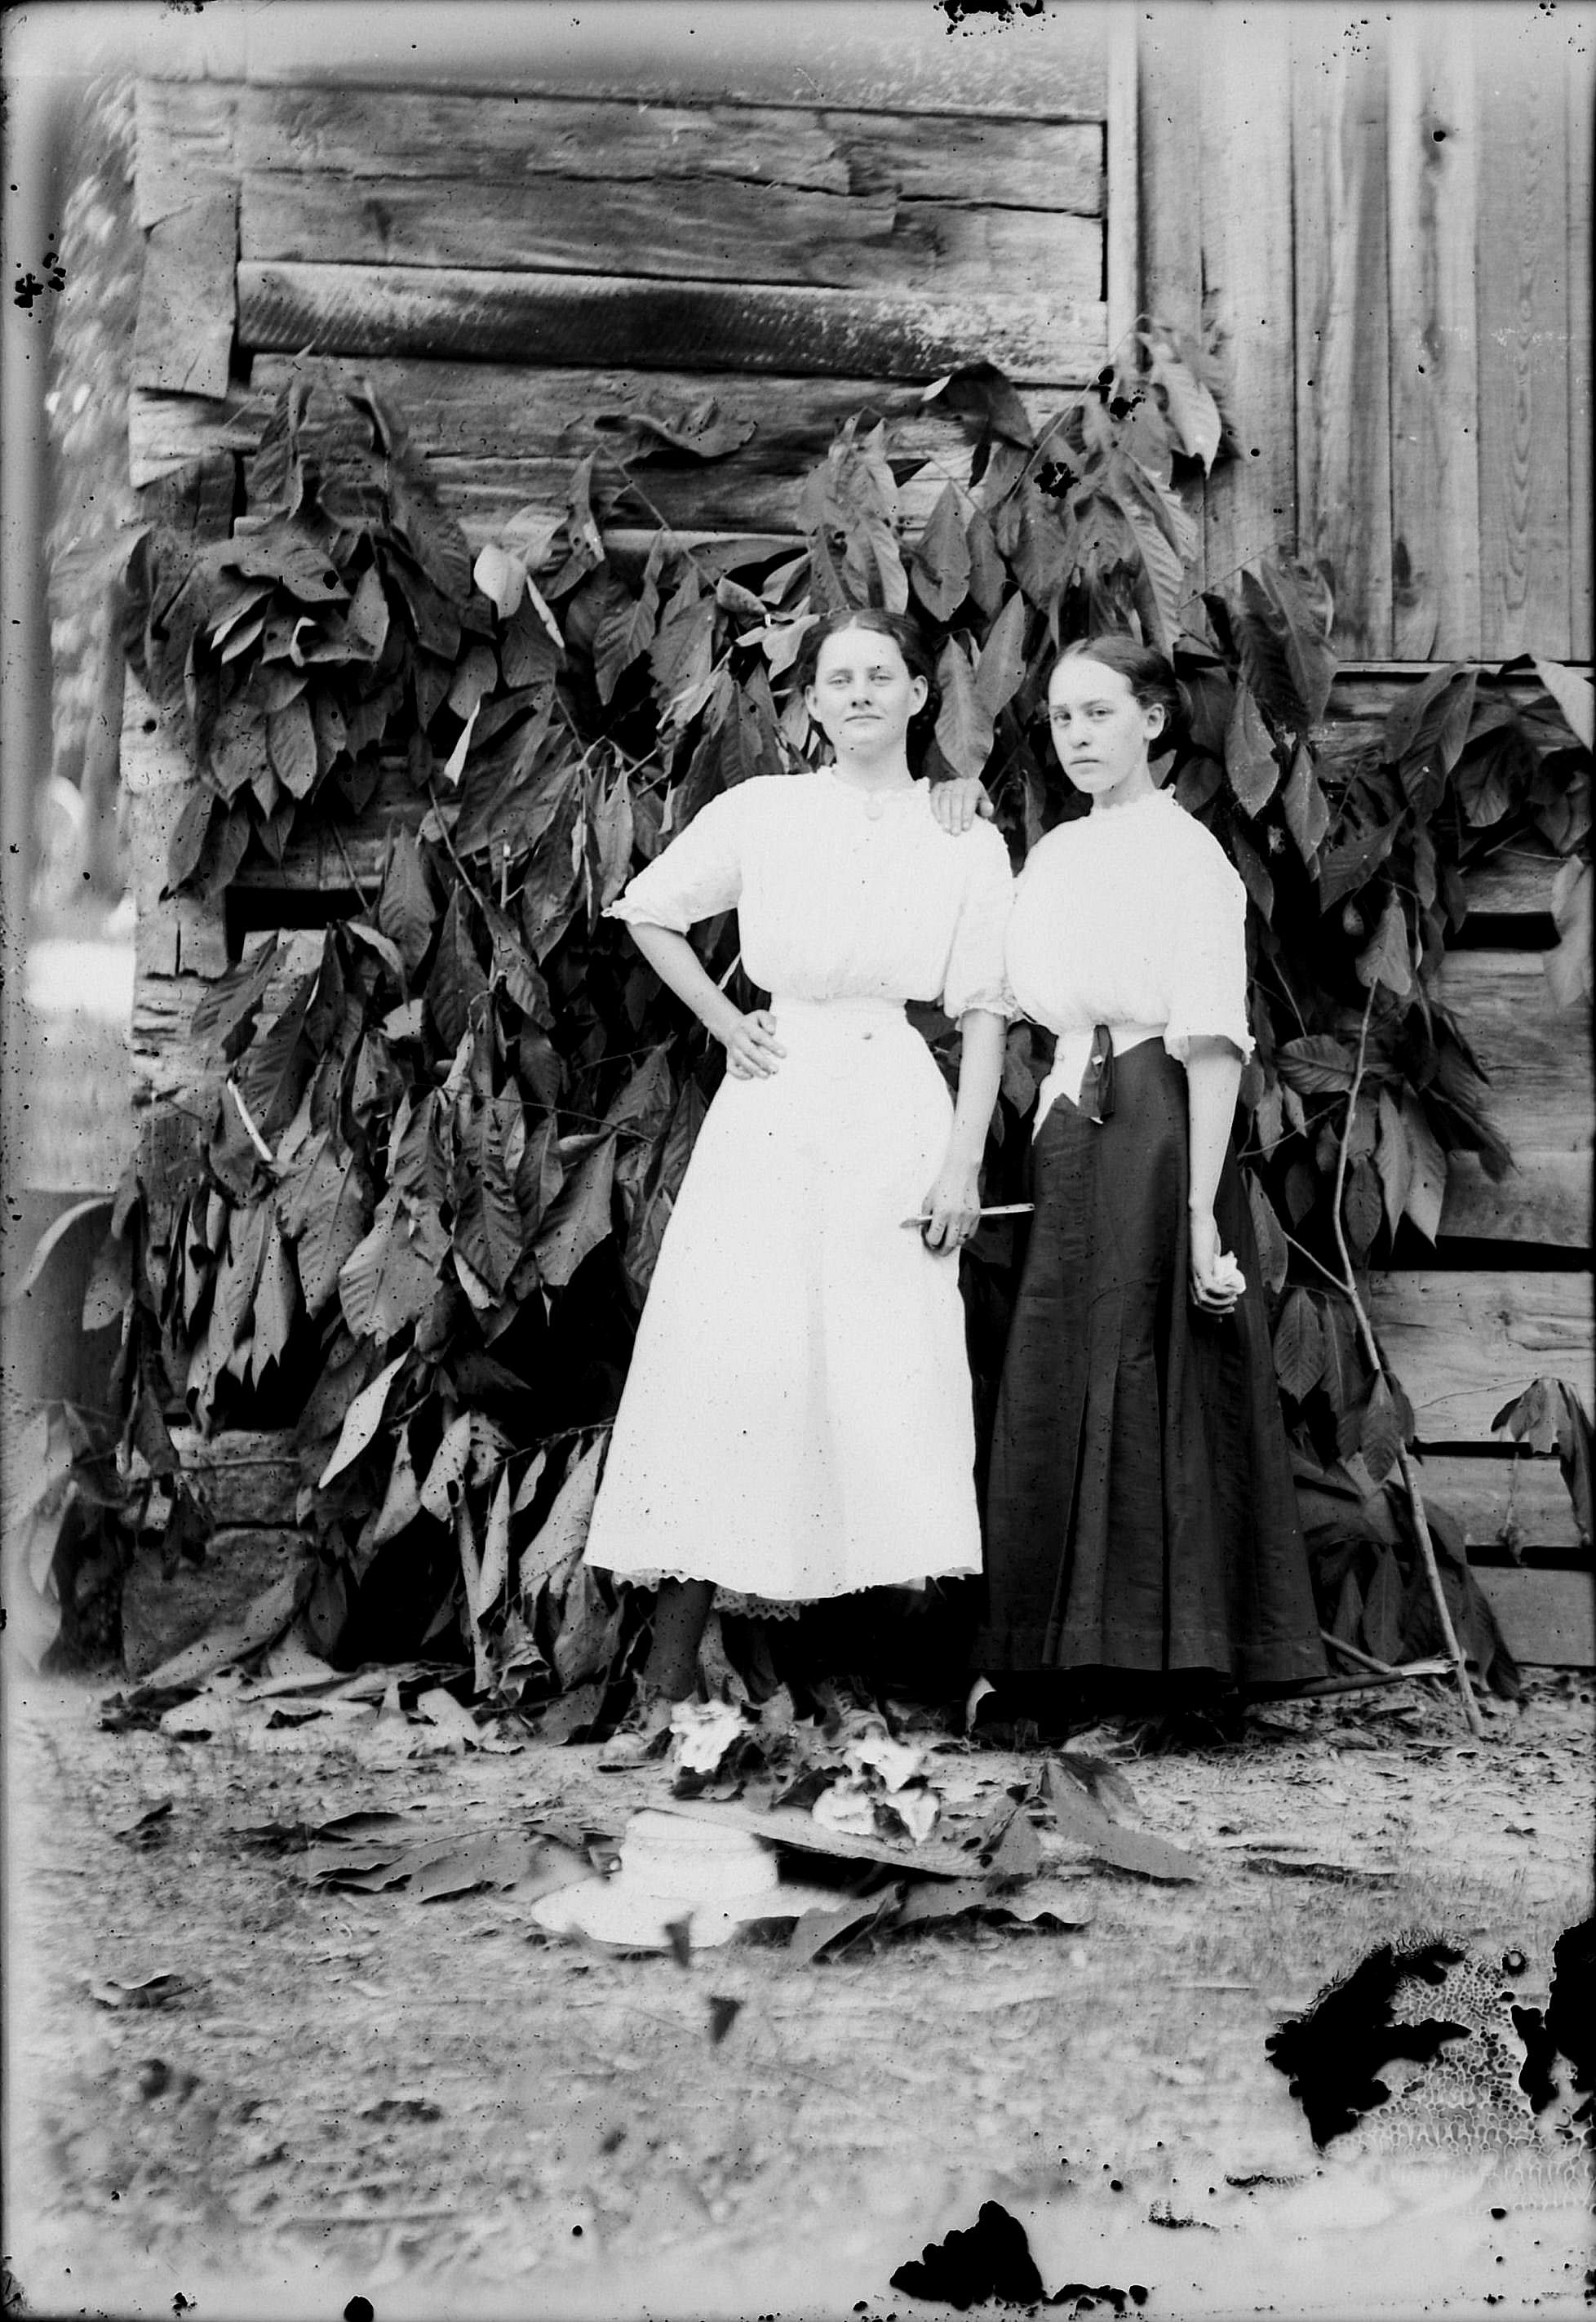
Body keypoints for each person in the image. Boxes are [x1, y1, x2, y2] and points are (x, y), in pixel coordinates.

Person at [582, 608, 1013, 1732]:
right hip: (775, 1104)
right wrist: (727, 1020)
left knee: (885, 1371)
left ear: (920, 695)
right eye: (838, 679)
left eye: (882, 675)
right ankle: (667, 1683)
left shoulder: (964, 836)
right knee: (736, 1361)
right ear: (810, 702)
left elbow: (983, 1009)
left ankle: (869, 1675)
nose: (860, 694)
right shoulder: (765, 810)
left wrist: (962, 1163)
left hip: (893, 1106)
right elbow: (651, 910)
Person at [961, 636, 1327, 1725]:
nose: (1077, 736)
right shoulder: (1054, 855)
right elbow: (1003, 992)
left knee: (1148, 1364)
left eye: (1100, 713)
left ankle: (1171, 1665)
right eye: (1061, 718)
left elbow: (1213, 1045)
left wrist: (1203, 1213)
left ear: (1154, 722)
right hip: (1069, 1124)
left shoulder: (1188, 857)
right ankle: (1053, 1660)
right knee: (1056, 1366)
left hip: (1161, 1128)